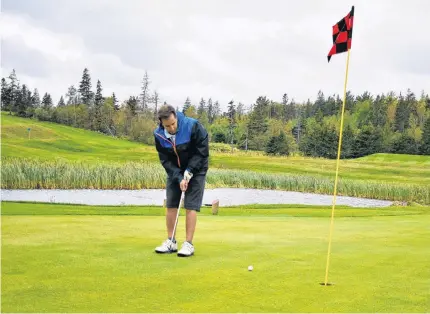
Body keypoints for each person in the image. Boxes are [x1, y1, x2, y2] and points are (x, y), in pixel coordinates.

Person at [153, 105, 209, 257]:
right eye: (167, 125)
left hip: (197, 169)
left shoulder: (192, 126)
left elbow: (202, 151)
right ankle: (171, 242)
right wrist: (178, 177)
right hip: (175, 171)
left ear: (176, 117)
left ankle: (188, 244)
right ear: (161, 122)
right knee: (171, 203)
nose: (171, 128)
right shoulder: (159, 135)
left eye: (173, 124)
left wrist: (189, 171)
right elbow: (165, 160)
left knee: (191, 205)